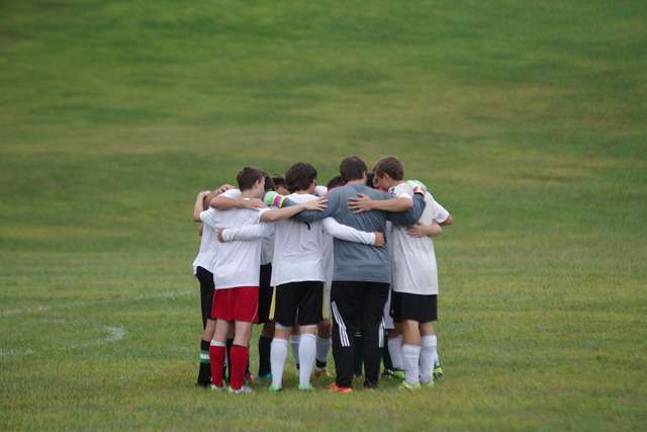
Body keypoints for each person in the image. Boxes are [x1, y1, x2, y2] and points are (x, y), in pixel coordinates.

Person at [218, 164, 383, 391]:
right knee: (308, 329)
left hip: (285, 274)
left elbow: (263, 228)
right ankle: (304, 383)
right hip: (313, 273)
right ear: (312, 181)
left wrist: (228, 234)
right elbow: (333, 229)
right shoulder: (320, 204)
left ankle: (276, 383)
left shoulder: (278, 202)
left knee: (282, 329)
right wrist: (370, 238)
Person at [293, 155, 426, 393]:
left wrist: (287, 203)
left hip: (347, 274)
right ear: (365, 173)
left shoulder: (335, 196)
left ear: (342, 175)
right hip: (379, 274)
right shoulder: (382, 196)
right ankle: (371, 382)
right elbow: (410, 215)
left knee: (343, 325)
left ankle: (344, 382)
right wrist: (419, 194)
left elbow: (307, 215)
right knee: (373, 325)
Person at [200, 167, 326, 393]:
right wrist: (303, 206)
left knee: (220, 332)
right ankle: (236, 386)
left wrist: (227, 230)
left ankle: (215, 382)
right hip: (245, 279)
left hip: (221, 277)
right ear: (258, 183)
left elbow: (201, 215)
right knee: (242, 333)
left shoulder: (222, 207)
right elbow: (273, 218)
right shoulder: (257, 208)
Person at [352, 156, 452, 389]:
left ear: (386, 176)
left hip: (408, 269)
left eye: (377, 179)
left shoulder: (399, 191)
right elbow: (447, 219)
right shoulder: (425, 193)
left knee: (409, 323)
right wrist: (429, 229)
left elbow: (406, 205)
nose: (376, 185)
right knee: (426, 322)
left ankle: (412, 380)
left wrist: (372, 204)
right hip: (428, 268)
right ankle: (427, 377)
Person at [191, 184, 231, 387]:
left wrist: (202, 195)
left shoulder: (214, 213)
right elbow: (197, 217)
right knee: (214, 324)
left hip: (205, 269)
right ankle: (206, 375)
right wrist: (202, 196)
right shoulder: (224, 212)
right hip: (214, 271)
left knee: (214, 323)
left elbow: (200, 226)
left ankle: (211, 373)